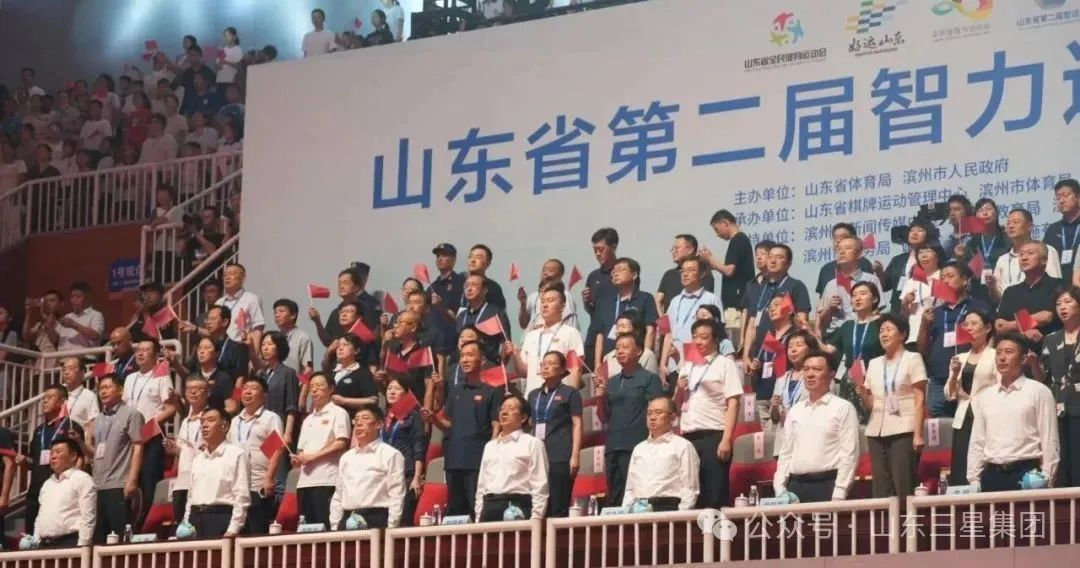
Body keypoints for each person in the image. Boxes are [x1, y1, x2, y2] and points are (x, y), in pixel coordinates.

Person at [968, 333, 1059, 492]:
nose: (1002, 358)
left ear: (1023, 359)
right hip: (991, 475)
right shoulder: (986, 396)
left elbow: (1049, 439)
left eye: (1009, 352)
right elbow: (977, 440)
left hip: (1027, 474)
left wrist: (1047, 477)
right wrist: (974, 479)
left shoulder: (1039, 391)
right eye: (998, 353)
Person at [773, 351, 861, 503]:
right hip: (795, 487)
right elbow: (786, 453)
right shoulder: (795, 410)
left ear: (831, 375)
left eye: (817, 369)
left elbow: (849, 455)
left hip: (828, 485)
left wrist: (839, 493)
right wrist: (780, 489)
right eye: (806, 369)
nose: (810, 374)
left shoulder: (843, 408)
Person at [674, 319, 743, 508]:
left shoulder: (725, 364)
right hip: (688, 437)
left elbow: (733, 403)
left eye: (703, 337)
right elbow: (676, 406)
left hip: (714, 435)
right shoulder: (687, 366)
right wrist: (678, 389)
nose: (698, 341)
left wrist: (726, 439)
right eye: (695, 337)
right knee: (691, 496)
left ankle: (717, 528)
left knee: (714, 495)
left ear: (716, 340)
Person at [858, 314, 927, 500]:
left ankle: (907, 519)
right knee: (881, 487)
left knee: (903, 483)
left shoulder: (913, 358)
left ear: (902, 334)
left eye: (888, 330)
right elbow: (871, 405)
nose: (883, 334)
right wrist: (863, 393)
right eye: (881, 331)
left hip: (904, 428)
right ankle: (884, 519)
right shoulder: (873, 363)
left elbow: (920, 399)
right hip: (876, 430)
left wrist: (918, 434)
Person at [430, 341, 503, 518]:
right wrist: (434, 419)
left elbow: (496, 426)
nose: (464, 359)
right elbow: (448, 425)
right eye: (462, 355)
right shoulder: (455, 391)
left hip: (477, 459)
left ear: (482, 360)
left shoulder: (492, 391)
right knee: (455, 509)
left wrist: (491, 454)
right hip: (454, 458)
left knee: (476, 506)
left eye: (470, 355)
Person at [594, 332, 664, 507]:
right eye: (617, 348)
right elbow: (603, 417)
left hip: (637, 445)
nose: (620, 351)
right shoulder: (611, 382)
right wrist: (600, 397)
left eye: (625, 347)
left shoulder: (650, 379)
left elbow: (657, 413)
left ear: (639, 351)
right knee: (614, 497)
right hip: (613, 446)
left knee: (637, 494)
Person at [917, 261, 991, 418]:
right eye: (942, 278)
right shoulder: (935, 312)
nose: (945, 281)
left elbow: (991, 338)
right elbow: (922, 349)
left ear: (964, 280)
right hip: (939, 376)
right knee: (937, 420)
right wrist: (924, 326)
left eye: (950, 276)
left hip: (970, 373)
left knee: (971, 418)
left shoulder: (979, 306)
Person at [123, 339, 177, 523]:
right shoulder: (129, 378)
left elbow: (170, 409)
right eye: (138, 349)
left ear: (155, 355)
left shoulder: (162, 377)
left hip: (150, 436)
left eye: (145, 350)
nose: (140, 353)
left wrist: (148, 426)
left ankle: (145, 526)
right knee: (129, 483)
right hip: (130, 438)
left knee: (148, 483)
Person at [329, 404, 406, 529]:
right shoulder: (346, 458)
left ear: (378, 424)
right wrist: (334, 526)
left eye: (365, 418)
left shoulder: (391, 454)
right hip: (347, 519)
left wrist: (392, 527)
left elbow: (396, 494)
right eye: (356, 420)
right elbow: (338, 495)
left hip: (376, 519)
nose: (359, 423)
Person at [526, 352, 583, 518]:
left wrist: (575, 455)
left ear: (562, 369)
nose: (546, 367)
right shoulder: (533, 395)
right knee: (538, 505)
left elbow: (577, 424)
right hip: (537, 455)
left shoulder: (570, 393)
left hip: (559, 454)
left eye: (551, 363)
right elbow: (529, 423)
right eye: (544, 363)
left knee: (558, 504)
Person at [1033, 287, 1080, 487]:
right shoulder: (1051, 339)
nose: (1062, 307)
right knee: (1062, 460)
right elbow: (1042, 377)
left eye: (1068, 302)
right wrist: (1033, 363)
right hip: (1057, 405)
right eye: (1059, 303)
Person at [475, 395, 549, 521]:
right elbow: (481, 485)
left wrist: (536, 518)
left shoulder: (533, 443)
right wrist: (478, 516)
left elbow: (540, 484)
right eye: (502, 408)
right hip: (489, 507)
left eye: (511, 408)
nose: (504, 412)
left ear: (523, 417)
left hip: (516, 506)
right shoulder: (490, 446)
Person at [945, 310, 998, 485]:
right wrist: (954, 374)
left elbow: (1000, 386)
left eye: (974, 323)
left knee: (982, 461)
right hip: (963, 416)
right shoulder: (959, 358)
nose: (969, 328)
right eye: (966, 324)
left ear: (987, 328)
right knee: (961, 461)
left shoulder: (995, 355)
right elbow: (949, 394)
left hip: (986, 415)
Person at [23, 385, 85, 532]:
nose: (45, 401)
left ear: (62, 402)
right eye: (44, 398)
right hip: (36, 489)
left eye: (50, 397)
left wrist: (73, 484)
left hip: (60, 487)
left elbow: (80, 458)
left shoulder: (71, 427)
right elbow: (33, 460)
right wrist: (24, 461)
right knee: (30, 532)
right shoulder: (39, 430)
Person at [90, 376, 144, 544]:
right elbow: (96, 452)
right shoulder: (97, 419)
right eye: (101, 388)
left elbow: (138, 447)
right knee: (98, 539)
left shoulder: (132, 414)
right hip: (97, 485)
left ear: (120, 390)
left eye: (108, 387)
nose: (103, 391)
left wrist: (132, 480)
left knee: (119, 538)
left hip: (119, 484)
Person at [293, 373, 350, 528]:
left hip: (327, 480)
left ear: (331, 389)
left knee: (325, 527)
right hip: (304, 483)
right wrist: (297, 459)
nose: (314, 390)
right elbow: (301, 450)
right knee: (307, 529)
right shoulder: (308, 419)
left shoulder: (338, 413)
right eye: (311, 386)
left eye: (319, 385)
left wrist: (312, 457)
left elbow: (341, 443)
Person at [622, 397, 699, 511]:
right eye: (649, 413)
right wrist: (625, 512)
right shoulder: (639, 449)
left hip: (668, 508)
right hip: (638, 508)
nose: (652, 417)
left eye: (658, 412)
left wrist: (681, 515)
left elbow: (690, 488)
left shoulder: (683, 446)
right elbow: (630, 489)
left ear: (672, 417)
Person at [184, 406, 250, 538]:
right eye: (202, 422)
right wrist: (186, 524)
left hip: (220, 519)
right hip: (195, 521)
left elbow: (241, 496)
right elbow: (191, 496)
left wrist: (233, 529)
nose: (204, 425)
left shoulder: (236, 455)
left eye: (210, 420)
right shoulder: (198, 459)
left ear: (224, 426)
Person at [824, 281, 883, 424]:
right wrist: (812, 328)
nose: (857, 298)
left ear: (875, 299)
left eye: (863, 294)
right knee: (849, 423)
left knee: (874, 420)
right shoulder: (847, 326)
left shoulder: (882, 323)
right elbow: (828, 349)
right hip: (850, 381)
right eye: (854, 295)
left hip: (875, 379)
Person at [231, 376, 284, 534]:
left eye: (253, 388)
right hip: (236, 486)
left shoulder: (270, 418)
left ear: (264, 395)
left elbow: (276, 449)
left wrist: (269, 477)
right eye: (245, 388)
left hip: (258, 484)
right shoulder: (235, 421)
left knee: (256, 531)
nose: (248, 392)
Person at [507, 287, 585, 393]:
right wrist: (515, 355)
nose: (545, 305)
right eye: (542, 301)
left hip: (559, 397)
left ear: (562, 306)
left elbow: (576, 369)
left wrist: (571, 397)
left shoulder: (571, 333)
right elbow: (524, 372)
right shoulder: (530, 336)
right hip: (533, 396)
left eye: (550, 301)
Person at [589, 258, 658, 371]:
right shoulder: (606, 303)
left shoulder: (645, 298)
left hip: (636, 359)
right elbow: (600, 335)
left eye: (621, 270)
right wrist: (597, 364)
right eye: (614, 271)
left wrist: (645, 356)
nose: (616, 274)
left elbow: (650, 330)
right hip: (611, 359)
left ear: (634, 275)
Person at [659, 256, 723, 380]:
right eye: (683, 271)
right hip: (673, 366)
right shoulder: (674, 301)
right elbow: (666, 333)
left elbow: (719, 332)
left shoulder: (711, 299)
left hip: (698, 365)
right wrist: (662, 364)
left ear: (702, 273)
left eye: (691, 270)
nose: (685, 274)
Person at [995, 242, 1063, 350]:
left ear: (1044, 260)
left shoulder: (1057, 284)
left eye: (1030, 253)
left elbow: (1046, 316)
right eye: (1021, 254)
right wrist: (1024, 331)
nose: (1024, 258)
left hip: (1049, 349)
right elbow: (999, 325)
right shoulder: (1011, 291)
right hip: (1017, 352)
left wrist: (1011, 325)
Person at [817, 236, 884, 339]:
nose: (841, 252)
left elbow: (877, 311)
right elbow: (823, 322)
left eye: (848, 248)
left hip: (863, 330)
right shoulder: (831, 285)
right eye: (839, 249)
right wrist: (829, 308)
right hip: (836, 334)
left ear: (859, 254)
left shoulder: (871, 279)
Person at [33, 438, 96, 548]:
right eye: (51, 453)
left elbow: (88, 518)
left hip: (69, 543)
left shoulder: (82, 479)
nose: (53, 456)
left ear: (73, 456)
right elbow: (40, 516)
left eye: (58, 452)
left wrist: (82, 548)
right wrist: (36, 540)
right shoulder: (47, 484)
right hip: (43, 545)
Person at [746, 294, 796, 431]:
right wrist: (756, 368)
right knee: (767, 441)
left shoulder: (796, 336)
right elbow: (762, 368)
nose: (771, 309)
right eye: (770, 307)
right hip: (763, 397)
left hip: (783, 398)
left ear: (789, 309)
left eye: (777, 305)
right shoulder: (768, 336)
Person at [990, 210, 1062, 302]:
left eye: (1016, 222)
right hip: (1008, 308)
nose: (1011, 226)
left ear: (1029, 226)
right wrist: (992, 287)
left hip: (1037, 306)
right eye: (1008, 223)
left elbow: (1055, 287)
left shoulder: (1047, 250)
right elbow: (997, 297)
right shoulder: (1002, 259)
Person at [382, 378, 426, 526]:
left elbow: (419, 447)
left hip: (405, 473)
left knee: (403, 517)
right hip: (384, 473)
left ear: (406, 393)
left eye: (397, 388)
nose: (392, 392)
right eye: (389, 388)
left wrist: (417, 477)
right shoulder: (384, 416)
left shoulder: (413, 416)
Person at [166, 375, 208, 527]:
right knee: (181, 525)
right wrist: (174, 449)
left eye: (198, 389)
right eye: (190, 389)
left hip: (202, 478)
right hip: (182, 480)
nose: (193, 392)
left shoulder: (211, 418)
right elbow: (182, 452)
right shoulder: (185, 421)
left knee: (197, 524)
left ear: (207, 392)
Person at [770, 331, 818, 455]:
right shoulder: (781, 379)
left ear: (810, 349)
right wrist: (774, 407)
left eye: (799, 345)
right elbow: (774, 418)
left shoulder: (815, 377)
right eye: (790, 347)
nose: (793, 350)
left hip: (808, 441)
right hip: (783, 443)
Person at [379, 311, 438, 410]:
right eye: (395, 322)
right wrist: (384, 345)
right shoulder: (393, 349)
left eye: (400, 322)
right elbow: (385, 383)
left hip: (414, 409)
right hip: (392, 409)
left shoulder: (424, 352)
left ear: (413, 327)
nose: (395, 326)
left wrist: (426, 411)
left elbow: (429, 388)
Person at [704, 210, 755, 322]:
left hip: (736, 304)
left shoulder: (737, 240)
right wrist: (711, 262)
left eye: (717, 229)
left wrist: (710, 258)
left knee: (734, 331)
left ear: (725, 223)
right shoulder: (741, 239)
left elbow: (728, 271)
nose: (717, 234)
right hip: (738, 302)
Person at [310, 266, 379, 347]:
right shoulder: (336, 312)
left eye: (346, 283)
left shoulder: (366, 309)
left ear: (356, 287)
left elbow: (372, 339)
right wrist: (317, 322)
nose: (341, 286)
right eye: (339, 284)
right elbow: (328, 342)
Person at [456, 274, 511, 363]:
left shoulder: (496, 313)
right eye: (466, 286)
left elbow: (507, 345)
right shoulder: (461, 316)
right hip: (465, 365)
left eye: (474, 285)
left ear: (484, 290)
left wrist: (501, 366)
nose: (469, 289)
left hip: (488, 365)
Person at [656, 234, 716, 313]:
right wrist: (662, 319)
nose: (673, 251)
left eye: (677, 248)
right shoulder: (669, 274)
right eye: (672, 249)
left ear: (690, 249)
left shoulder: (703, 273)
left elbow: (707, 302)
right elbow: (658, 300)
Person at [898, 245, 946, 344]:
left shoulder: (945, 278)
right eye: (920, 252)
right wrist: (905, 303)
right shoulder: (912, 282)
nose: (924, 255)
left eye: (928, 251)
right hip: (914, 337)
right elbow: (903, 316)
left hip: (941, 335)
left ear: (938, 256)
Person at [815, 223, 876, 296]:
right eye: (835, 237)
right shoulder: (826, 269)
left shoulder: (863, 263)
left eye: (843, 237)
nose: (838, 241)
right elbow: (822, 298)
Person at [517, 260, 580, 330]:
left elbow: (571, 323)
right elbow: (524, 325)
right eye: (543, 270)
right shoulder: (533, 297)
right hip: (535, 336)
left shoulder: (564, 295)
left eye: (551, 270)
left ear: (560, 275)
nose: (545, 273)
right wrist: (523, 304)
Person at [328, 335, 380, 420]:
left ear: (356, 350)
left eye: (345, 345)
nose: (340, 348)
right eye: (338, 345)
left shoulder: (363, 373)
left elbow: (373, 400)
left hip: (351, 419)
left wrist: (344, 401)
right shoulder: (331, 372)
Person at [216, 263, 265, 346]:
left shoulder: (252, 299)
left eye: (232, 274)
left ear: (242, 278)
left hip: (242, 346)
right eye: (225, 275)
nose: (227, 277)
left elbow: (258, 327)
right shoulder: (219, 302)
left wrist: (255, 351)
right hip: (221, 347)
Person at [601, 312, 660, 376]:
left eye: (623, 326)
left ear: (636, 330)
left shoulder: (647, 355)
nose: (619, 330)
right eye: (617, 327)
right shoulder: (608, 357)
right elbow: (603, 380)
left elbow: (653, 379)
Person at [1044, 179, 1080, 277]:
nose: (1061, 201)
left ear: (1078, 198)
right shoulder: (1052, 230)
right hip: (1058, 284)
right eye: (1058, 197)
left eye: (1066, 195)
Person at [965, 198, 1010, 274]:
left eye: (989, 209)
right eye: (980, 210)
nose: (985, 213)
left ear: (997, 213)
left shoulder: (1007, 238)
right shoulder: (972, 244)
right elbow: (968, 270)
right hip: (979, 280)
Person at [57, 281, 105, 353]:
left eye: (78, 296)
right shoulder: (67, 316)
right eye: (72, 297)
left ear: (87, 297)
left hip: (84, 357)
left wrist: (74, 325)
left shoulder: (96, 315)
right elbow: (55, 339)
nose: (74, 300)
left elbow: (95, 335)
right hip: (61, 356)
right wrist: (49, 326)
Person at [273, 299, 315, 377]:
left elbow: (308, 369)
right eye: (275, 312)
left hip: (294, 382)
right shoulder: (273, 338)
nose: (277, 315)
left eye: (281, 311)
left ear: (293, 315)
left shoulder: (303, 338)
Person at [583, 228, 619, 317]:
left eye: (601, 249)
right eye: (595, 250)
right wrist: (586, 302)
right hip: (597, 325)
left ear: (613, 248)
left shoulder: (624, 274)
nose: (598, 254)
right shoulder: (593, 276)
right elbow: (592, 311)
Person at [59, 357, 99, 428]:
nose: (66, 372)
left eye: (71, 368)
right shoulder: (58, 394)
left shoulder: (89, 396)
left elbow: (93, 422)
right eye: (64, 369)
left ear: (82, 373)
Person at [429, 243, 466, 319]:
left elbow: (463, 316)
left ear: (454, 260)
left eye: (444, 255)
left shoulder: (461, 282)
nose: (440, 259)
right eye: (438, 256)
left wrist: (441, 307)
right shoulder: (432, 287)